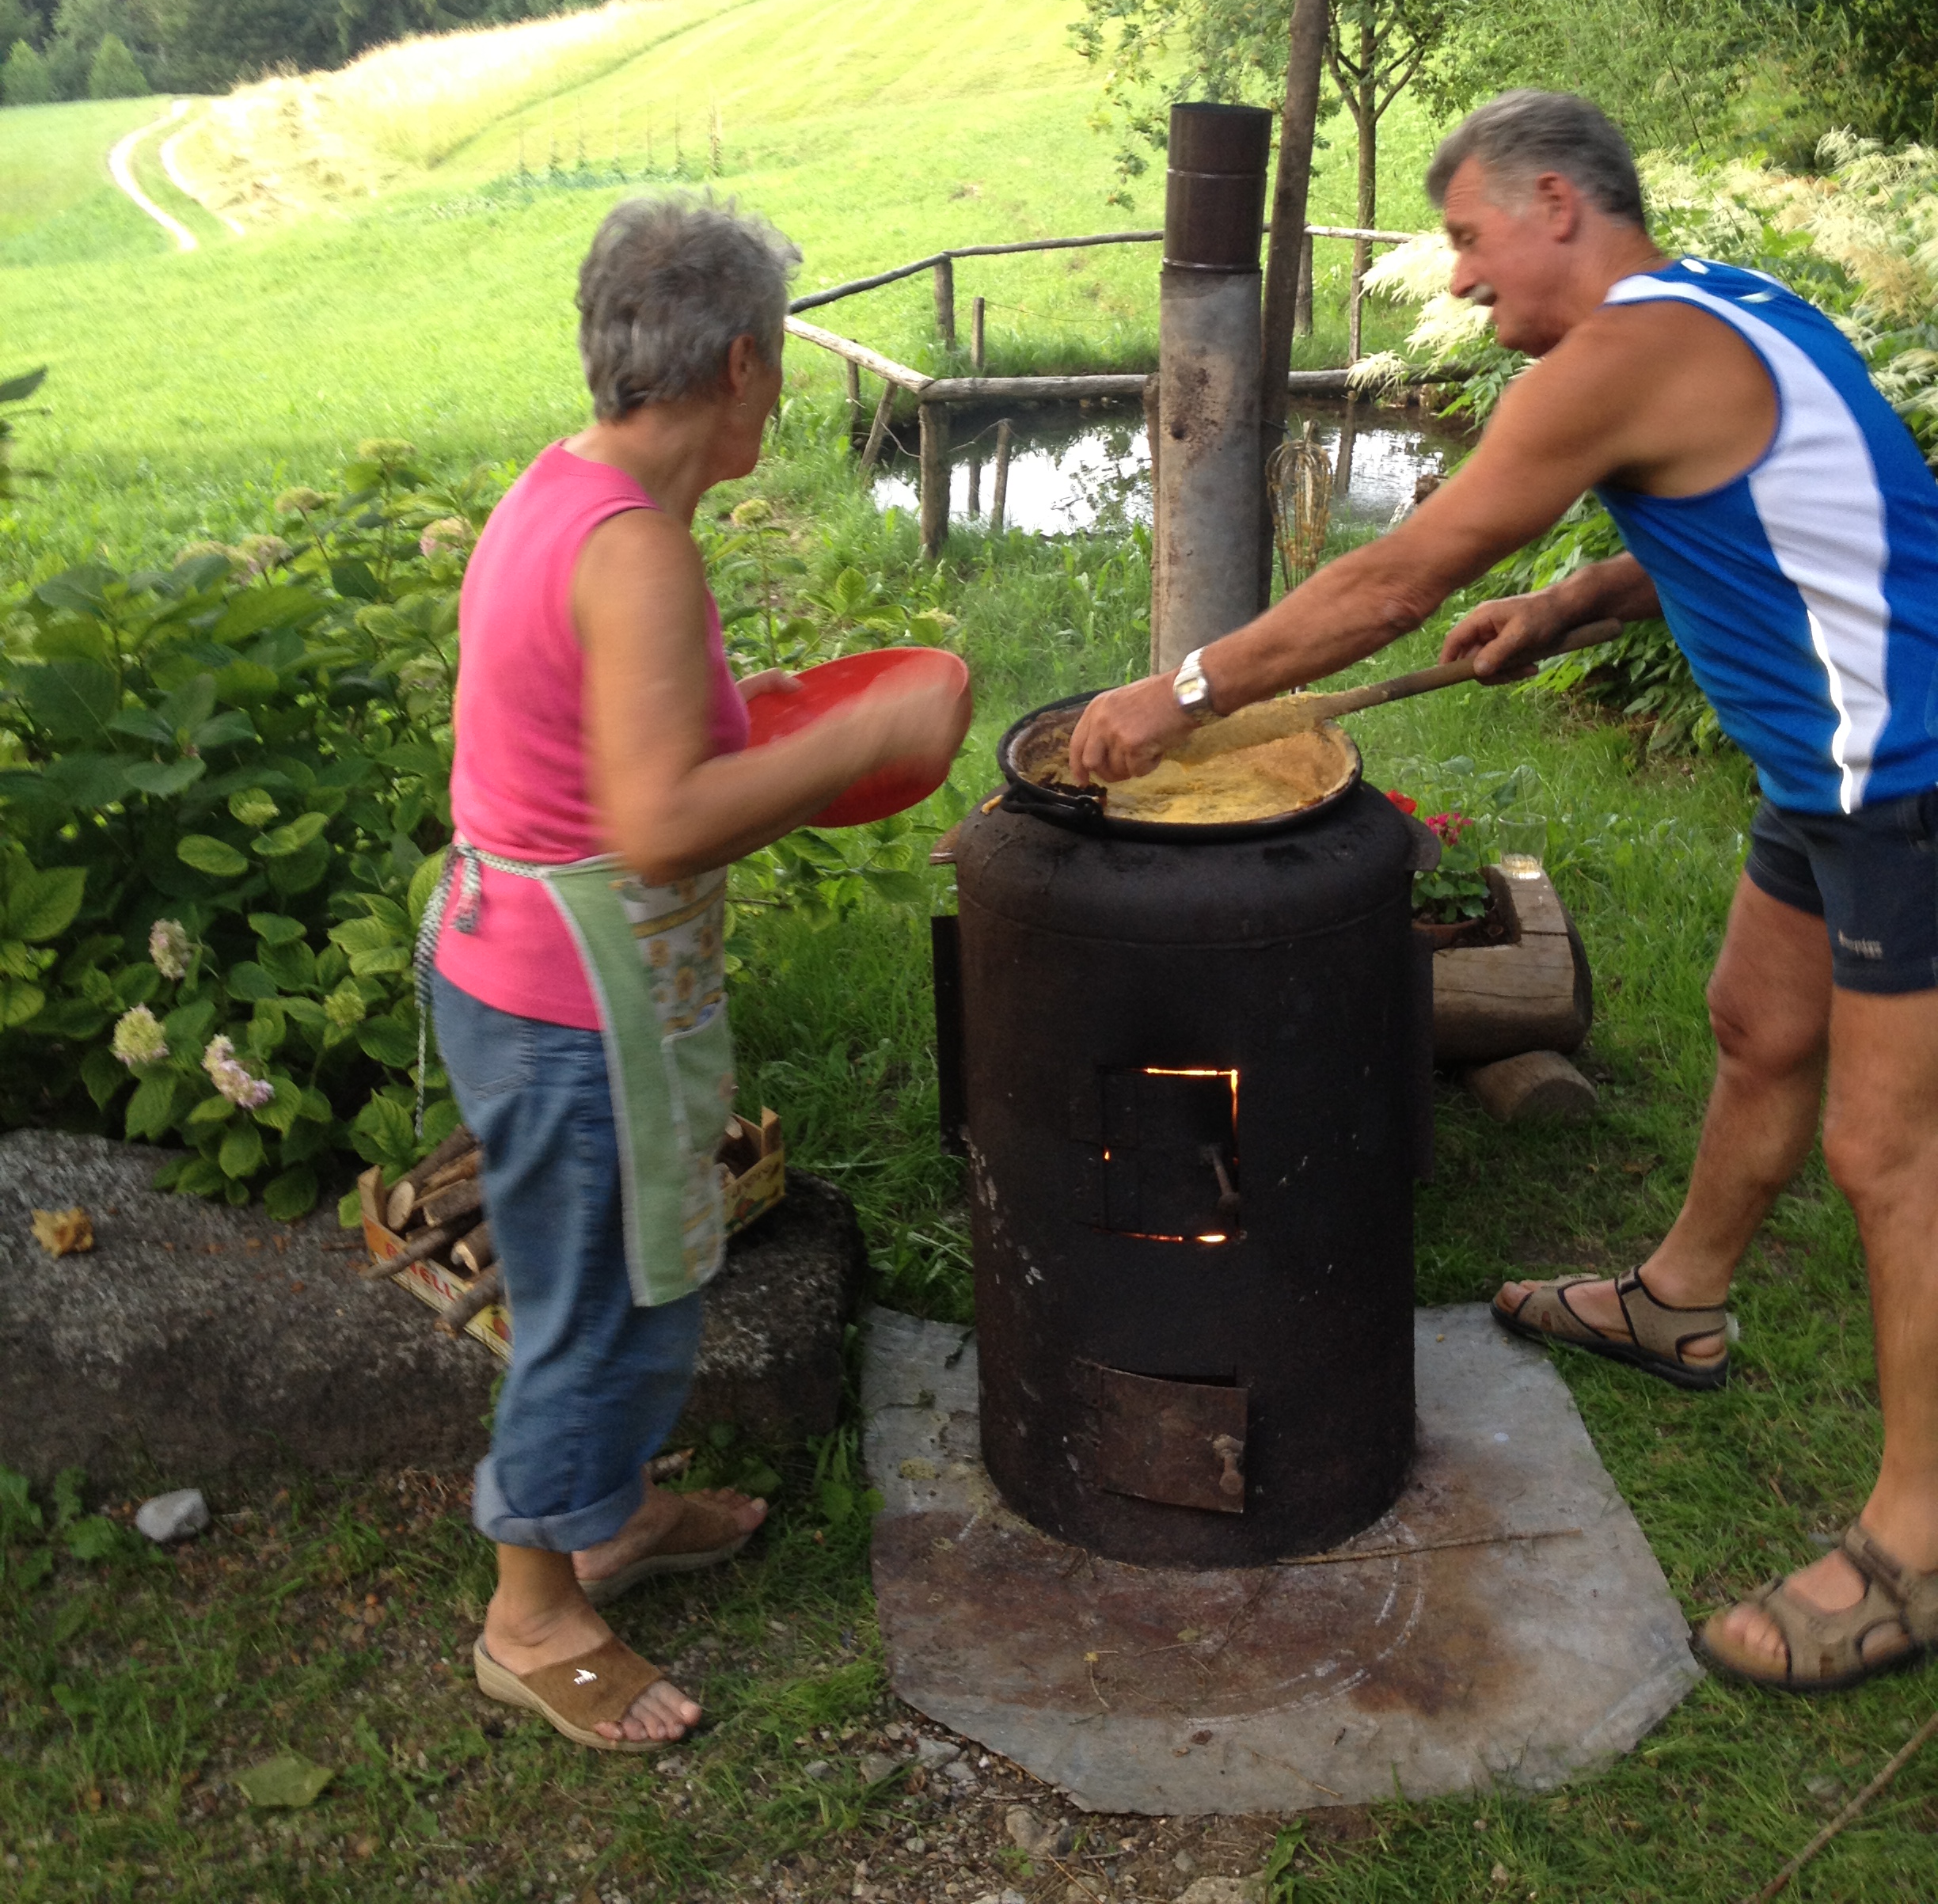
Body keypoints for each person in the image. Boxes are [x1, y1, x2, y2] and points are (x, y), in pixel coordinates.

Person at [1071, 89, 1938, 1694]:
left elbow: (1396, 577)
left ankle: (1917, 1541)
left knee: (1891, 1146)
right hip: (1830, 770)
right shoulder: (1726, 304)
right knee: (1755, 1024)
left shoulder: (1612, 356)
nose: (1462, 279)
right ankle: (1680, 1304)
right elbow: (1777, 512)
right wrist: (1582, 598)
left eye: (1469, 237)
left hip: (1911, 778)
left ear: (1555, 201)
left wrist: (1182, 692)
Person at [424, 192, 971, 1752]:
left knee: (633, 1278)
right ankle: (532, 1614)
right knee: (598, 1306)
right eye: (779, 362)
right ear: (741, 364)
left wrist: (776, 712)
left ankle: (600, 1513)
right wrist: (870, 735)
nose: (779, 389)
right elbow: (660, 826)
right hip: (563, 996)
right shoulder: (638, 556)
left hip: (512, 961)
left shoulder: (565, 491)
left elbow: (620, 746)